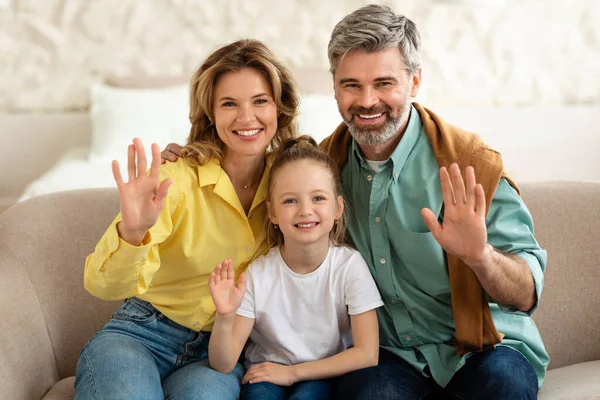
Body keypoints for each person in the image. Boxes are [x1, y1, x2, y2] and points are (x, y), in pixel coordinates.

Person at [161, 4, 549, 400]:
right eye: (351, 85)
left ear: (414, 82)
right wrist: (195, 155)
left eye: (384, 83)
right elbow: (252, 171)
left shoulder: (469, 165)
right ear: (333, 87)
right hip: (391, 356)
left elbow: (526, 294)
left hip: (482, 348)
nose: (367, 101)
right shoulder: (325, 168)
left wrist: (480, 255)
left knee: (504, 385)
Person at [74, 39, 301, 400]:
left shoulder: (293, 181)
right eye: (229, 104)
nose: (247, 118)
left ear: (280, 107)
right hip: (140, 334)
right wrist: (133, 232)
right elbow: (103, 287)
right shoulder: (176, 179)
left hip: (218, 353)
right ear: (210, 112)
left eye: (260, 101)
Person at [207, 136, 383, 400]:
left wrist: (293, 373)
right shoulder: (258, 274)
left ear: (337, 207)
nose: (305, 210)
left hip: (322, 374)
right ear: (273, 213)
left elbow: (368, 353)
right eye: (290, 201)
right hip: (266, 375)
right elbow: (223, 364)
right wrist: (224, 315)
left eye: (318, 198)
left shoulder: (349, 267)